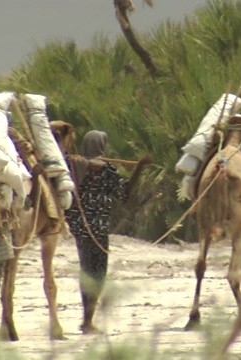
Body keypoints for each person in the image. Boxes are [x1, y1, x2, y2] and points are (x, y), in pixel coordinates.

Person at [65, 130, 151, 334]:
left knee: (87, 270)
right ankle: (87, 321)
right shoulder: (106, 170)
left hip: (79, 226)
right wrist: (138, 169)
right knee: (97, 273)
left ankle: (87, 319)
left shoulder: (73, 166)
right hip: (98, 228)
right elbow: (125, 194)